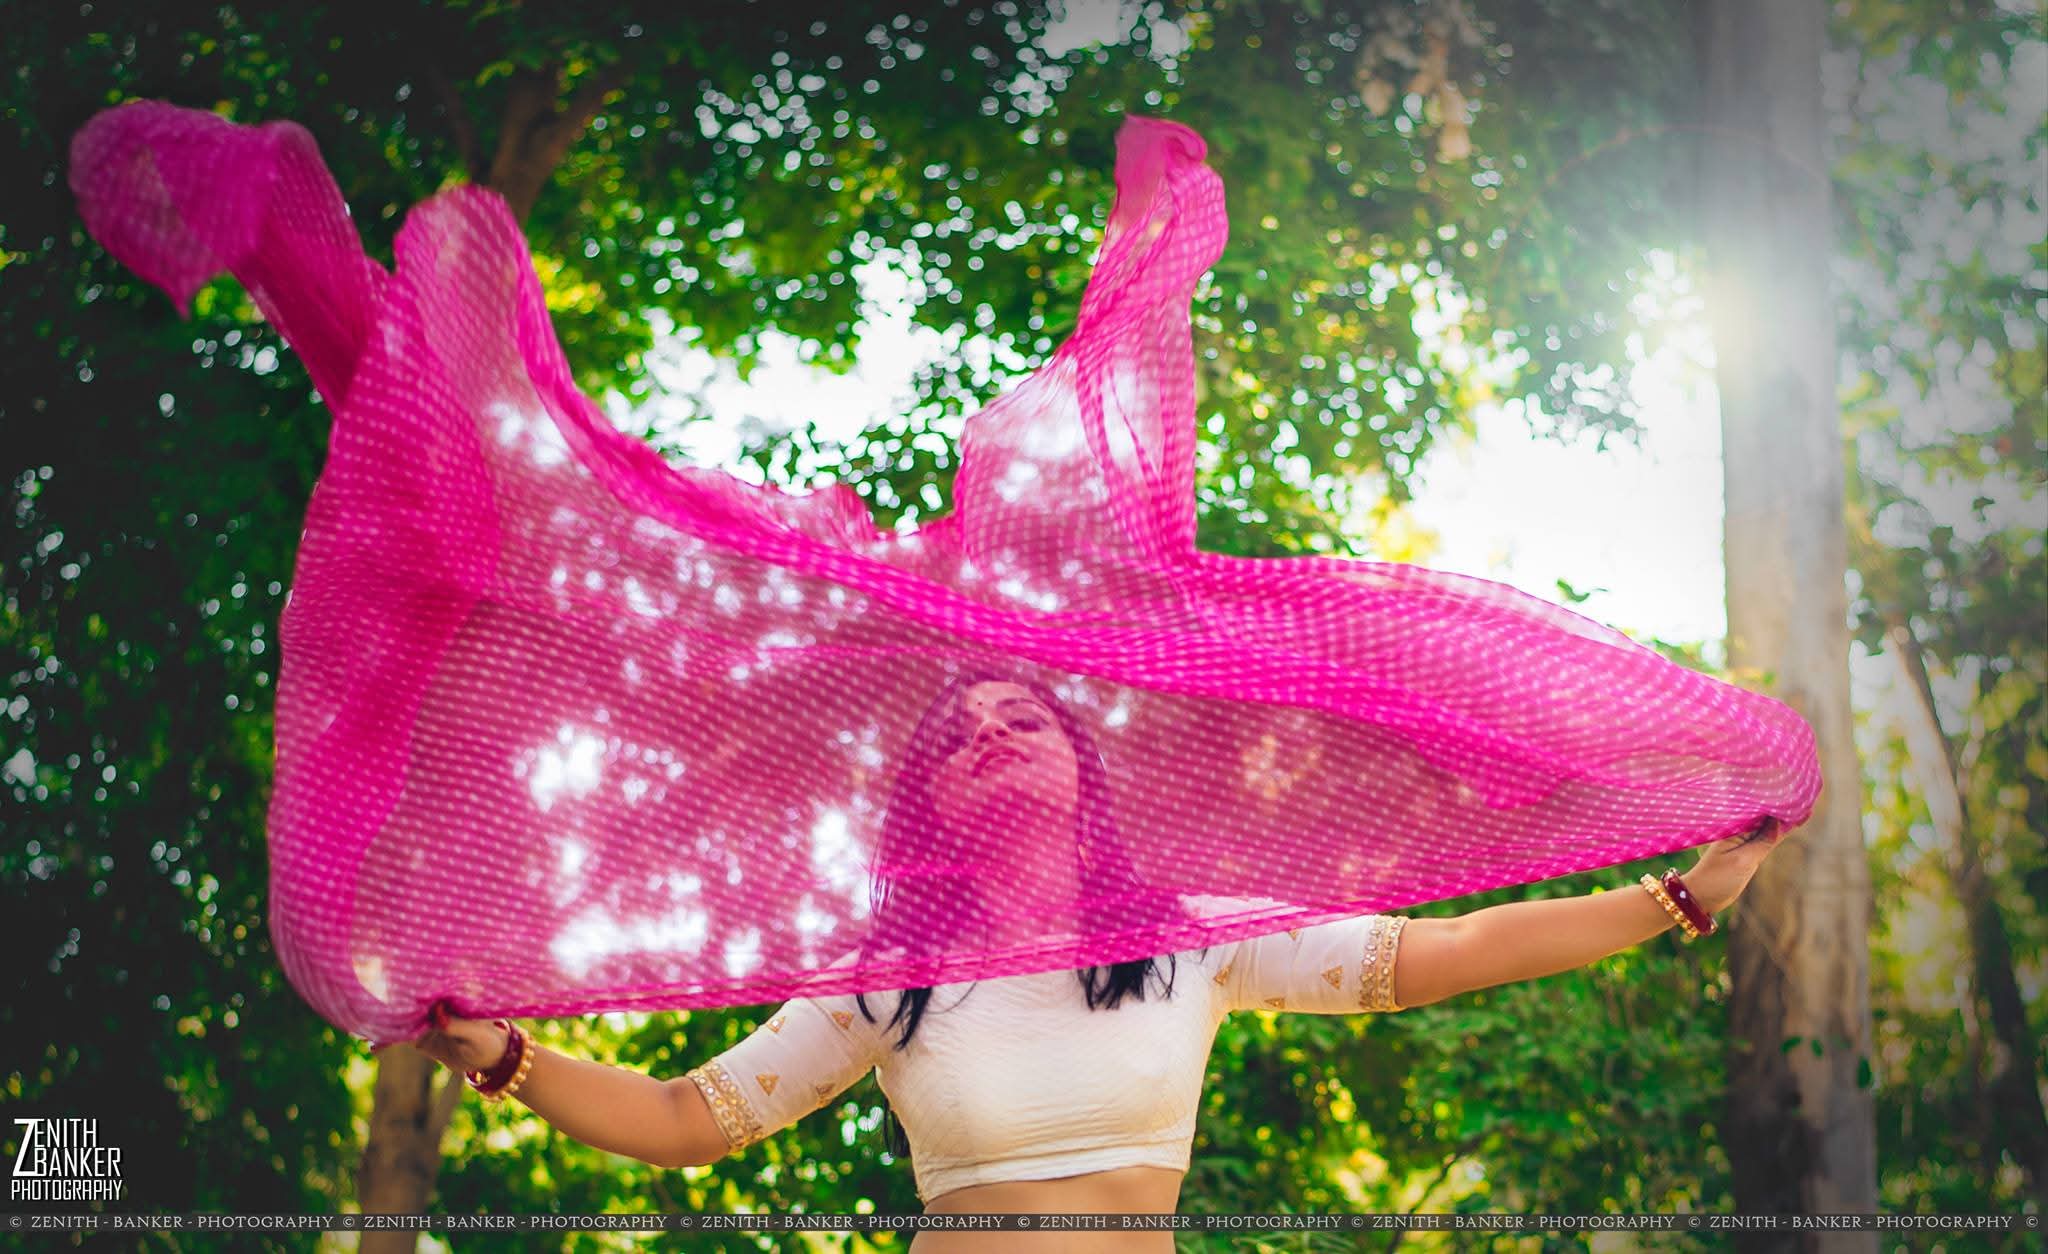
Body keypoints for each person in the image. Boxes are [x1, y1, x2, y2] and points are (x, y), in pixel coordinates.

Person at [413, 669, 1789, 1248]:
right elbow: (687, 1117)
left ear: (1081, 767)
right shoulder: (889, 977)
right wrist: (511, 1055)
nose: (997, 736)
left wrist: (1676, 900)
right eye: (961, 737)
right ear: (934, 802)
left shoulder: (1187, 933)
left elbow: (1440, 951)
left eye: (1028, 720)